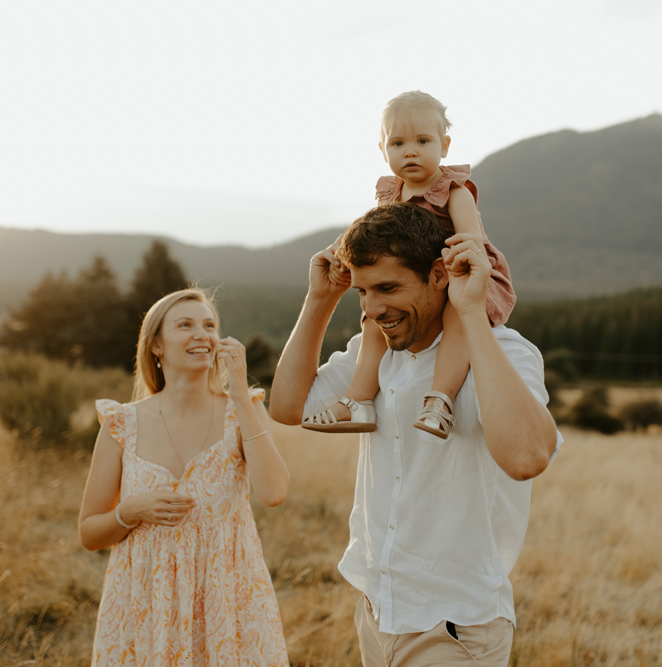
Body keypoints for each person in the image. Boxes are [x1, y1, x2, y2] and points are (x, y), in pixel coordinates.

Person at [269, 203, 562, 666]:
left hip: (455, 626)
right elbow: (287, 407)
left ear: (439, 275)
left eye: (388, 287)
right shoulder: (372, 353)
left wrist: (470, 311)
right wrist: (321, 299)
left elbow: (527, 457)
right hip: (377, 609)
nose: (373, 308)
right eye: (363, 292)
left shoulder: (506, 351)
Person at [79, 287, 290, 666]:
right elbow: (90, 532)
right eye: (185, 325)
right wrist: (130, 511)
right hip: (143, 606)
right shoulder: (122, 423)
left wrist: (240, 393)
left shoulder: (243, 410)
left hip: (228, 602)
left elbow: (273, 491)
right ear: (156, 345)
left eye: (210, 325)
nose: (203, 334)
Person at [300, 91, 516, 440]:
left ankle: (440, 401)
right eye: (397, 143)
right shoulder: (390, 193)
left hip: (458, 275)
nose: (410, 151)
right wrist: (340, 255)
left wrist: (457, 265)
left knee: (457, 318)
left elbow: (471, 240)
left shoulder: (453, 189)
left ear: (444, 146)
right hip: (412, 285)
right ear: (383, 150)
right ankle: (359, 400)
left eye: (422, 141)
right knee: (373, 321)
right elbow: (368, 235)